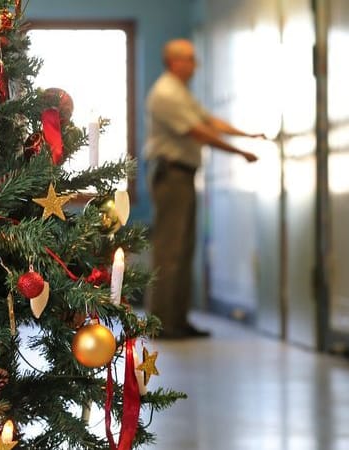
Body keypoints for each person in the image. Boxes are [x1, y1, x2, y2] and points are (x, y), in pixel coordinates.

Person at [145, 38, 264, 339]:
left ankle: (177, 320)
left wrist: (246, 134)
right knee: (170, 251)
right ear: (173, 61)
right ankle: (161, 324)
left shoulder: (180, 92)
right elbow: (200, 132)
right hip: (171, 175)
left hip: (182, 176)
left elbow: (209, 121)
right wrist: (241, 153)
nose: (195, 64)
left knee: (183, 250)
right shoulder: (166, 93)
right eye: (189, 58)